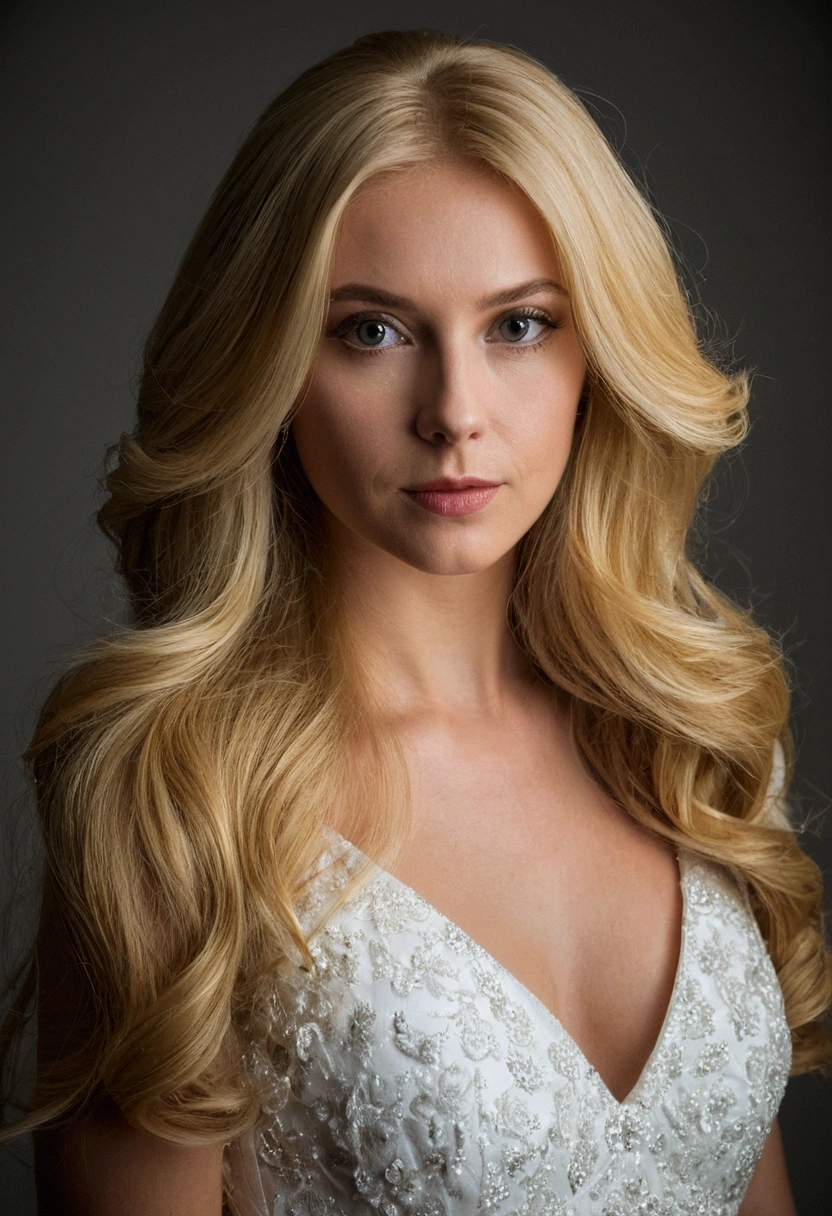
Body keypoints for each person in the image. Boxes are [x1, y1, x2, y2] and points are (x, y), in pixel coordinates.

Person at [2, 27, 830, 1216]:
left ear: (596, 351)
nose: (453, 413)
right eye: (371, 331)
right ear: (273, 362)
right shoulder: (175, 804)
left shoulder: (689, 738)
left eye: (519, 325)